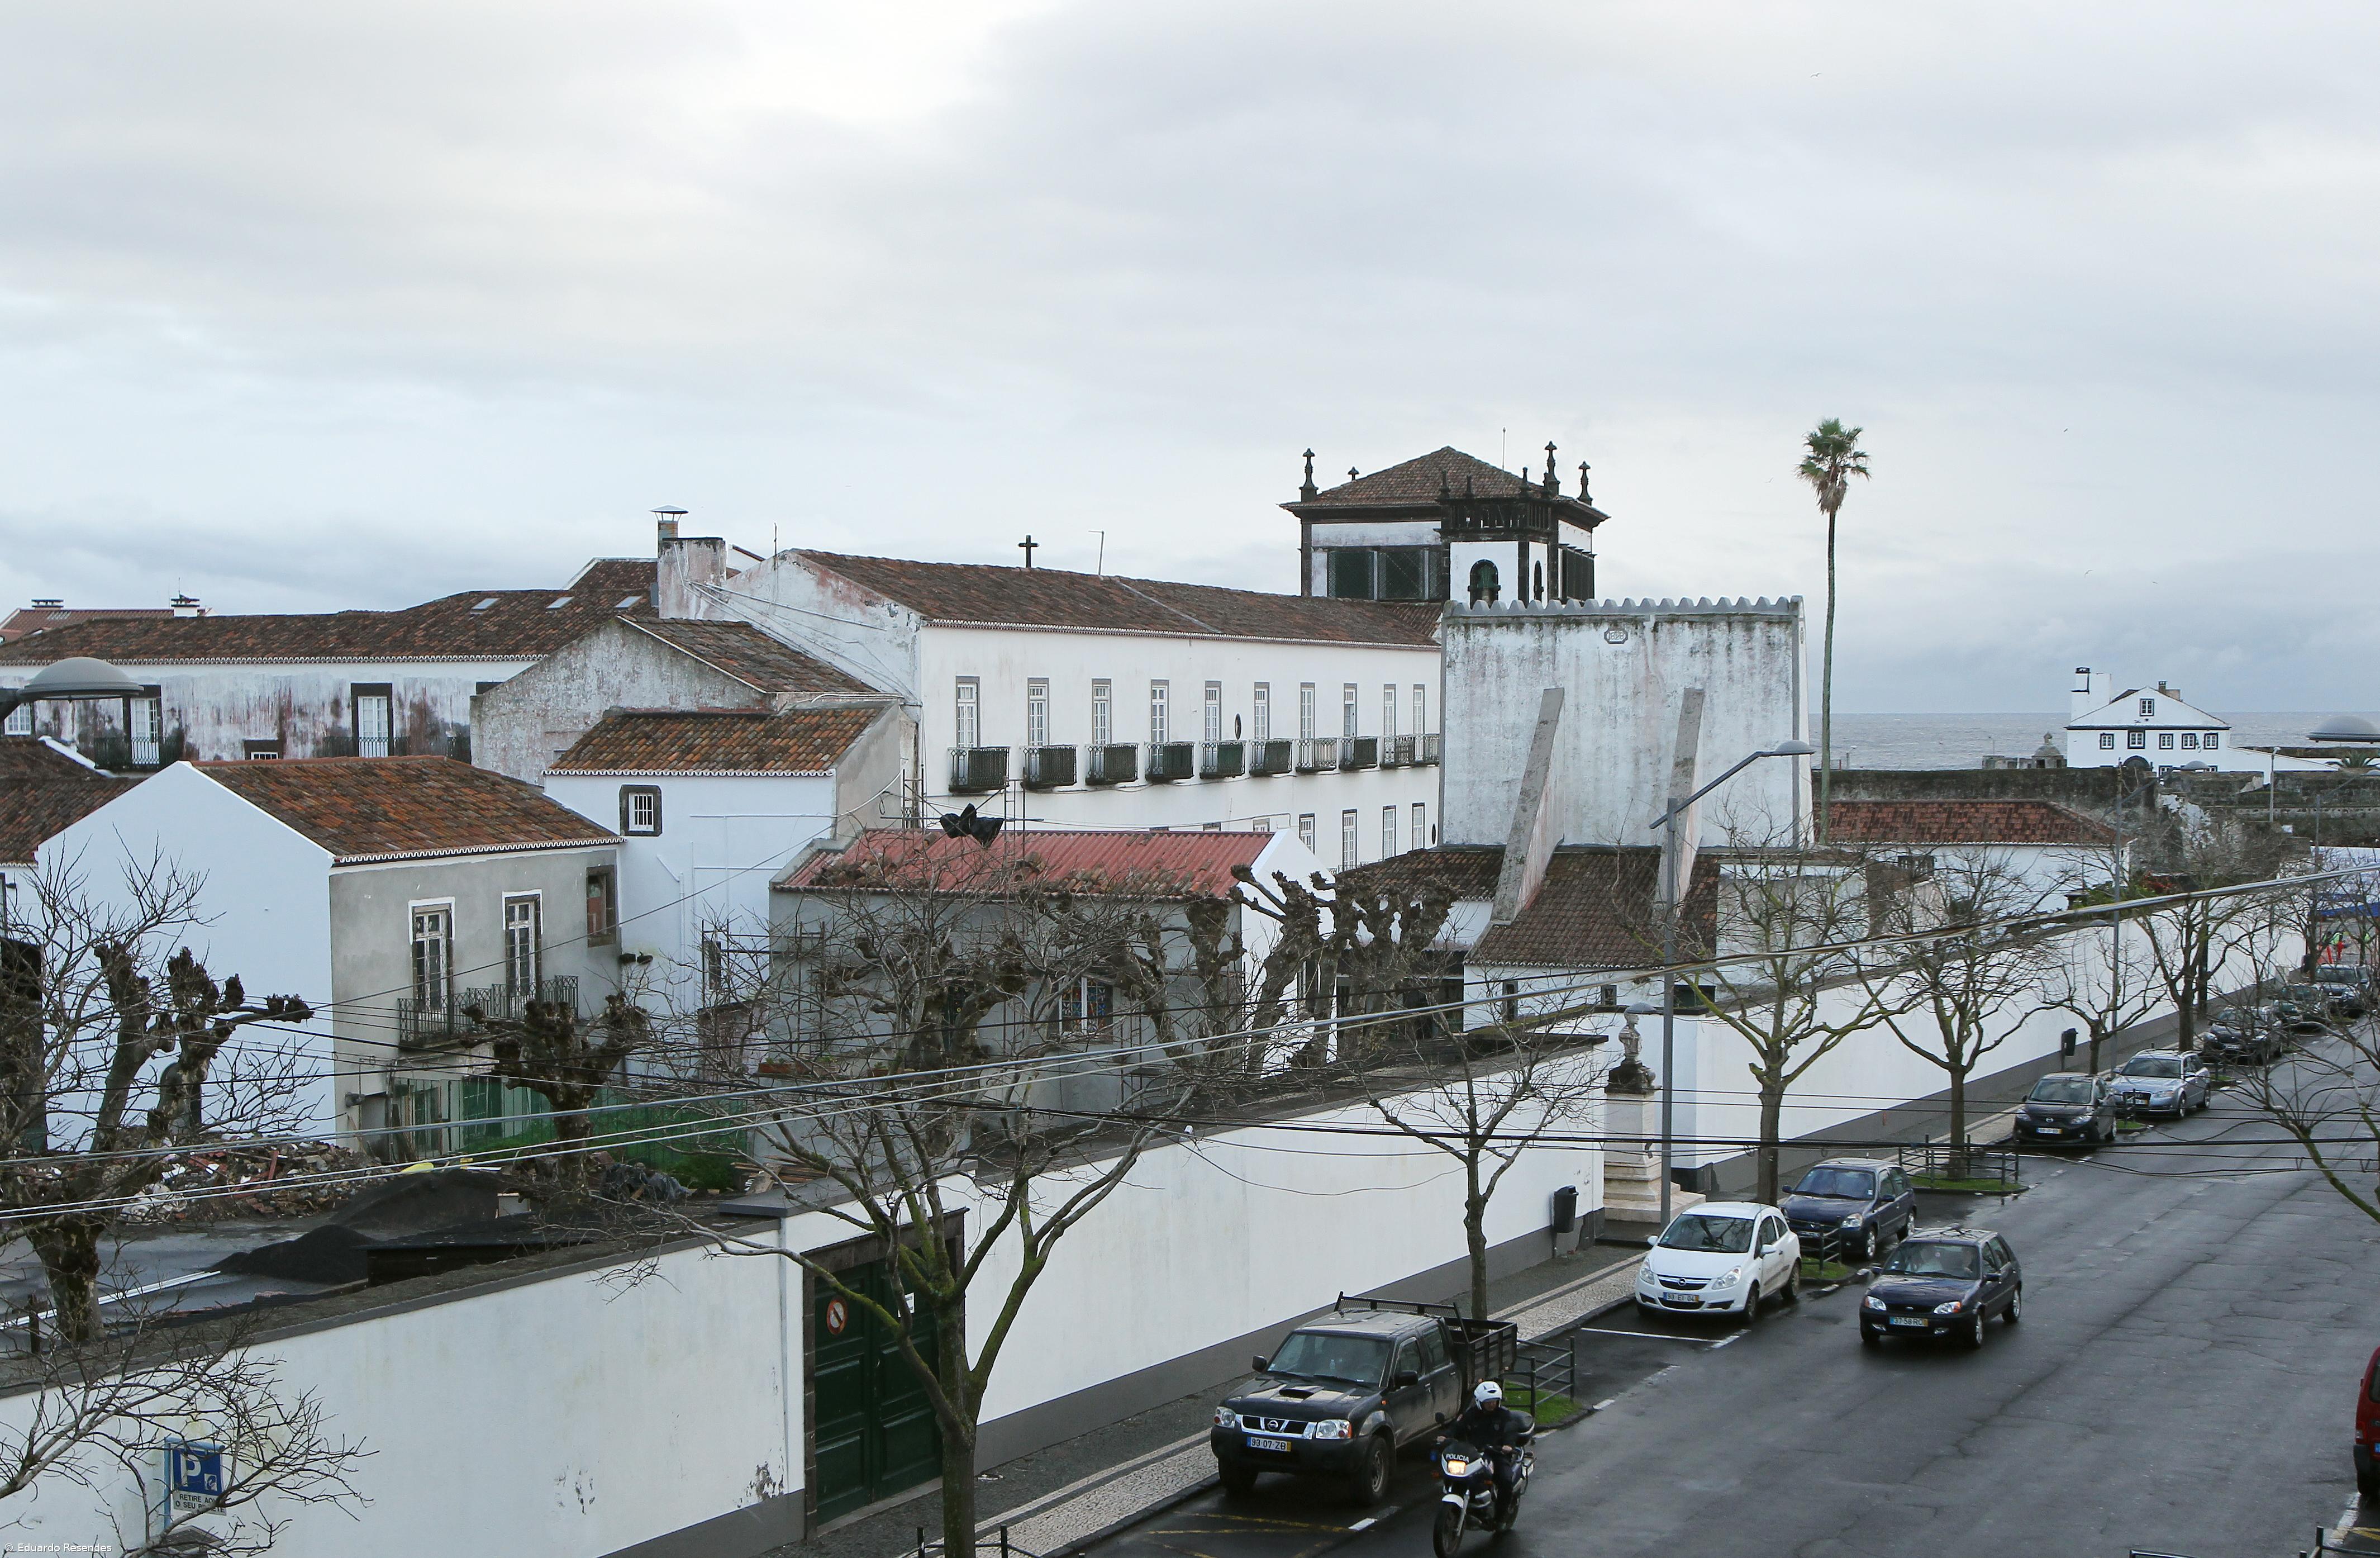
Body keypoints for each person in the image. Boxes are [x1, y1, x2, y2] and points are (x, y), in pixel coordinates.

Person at [1444, 1381, 1529, 1516]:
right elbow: (1458, 1426)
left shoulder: (1504, 1415)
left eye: (1494, 1401)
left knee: (1505, 1479)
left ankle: (1501, 1516)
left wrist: (1508, 1445)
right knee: (1454, 1472)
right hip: (1474, 1452)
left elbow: (1511, 1430)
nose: (1492, 1405)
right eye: (1488, 1402)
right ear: (1480, 1402)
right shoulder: (1471, 1414)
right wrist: (1446, 1436)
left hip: (1497, 1454)